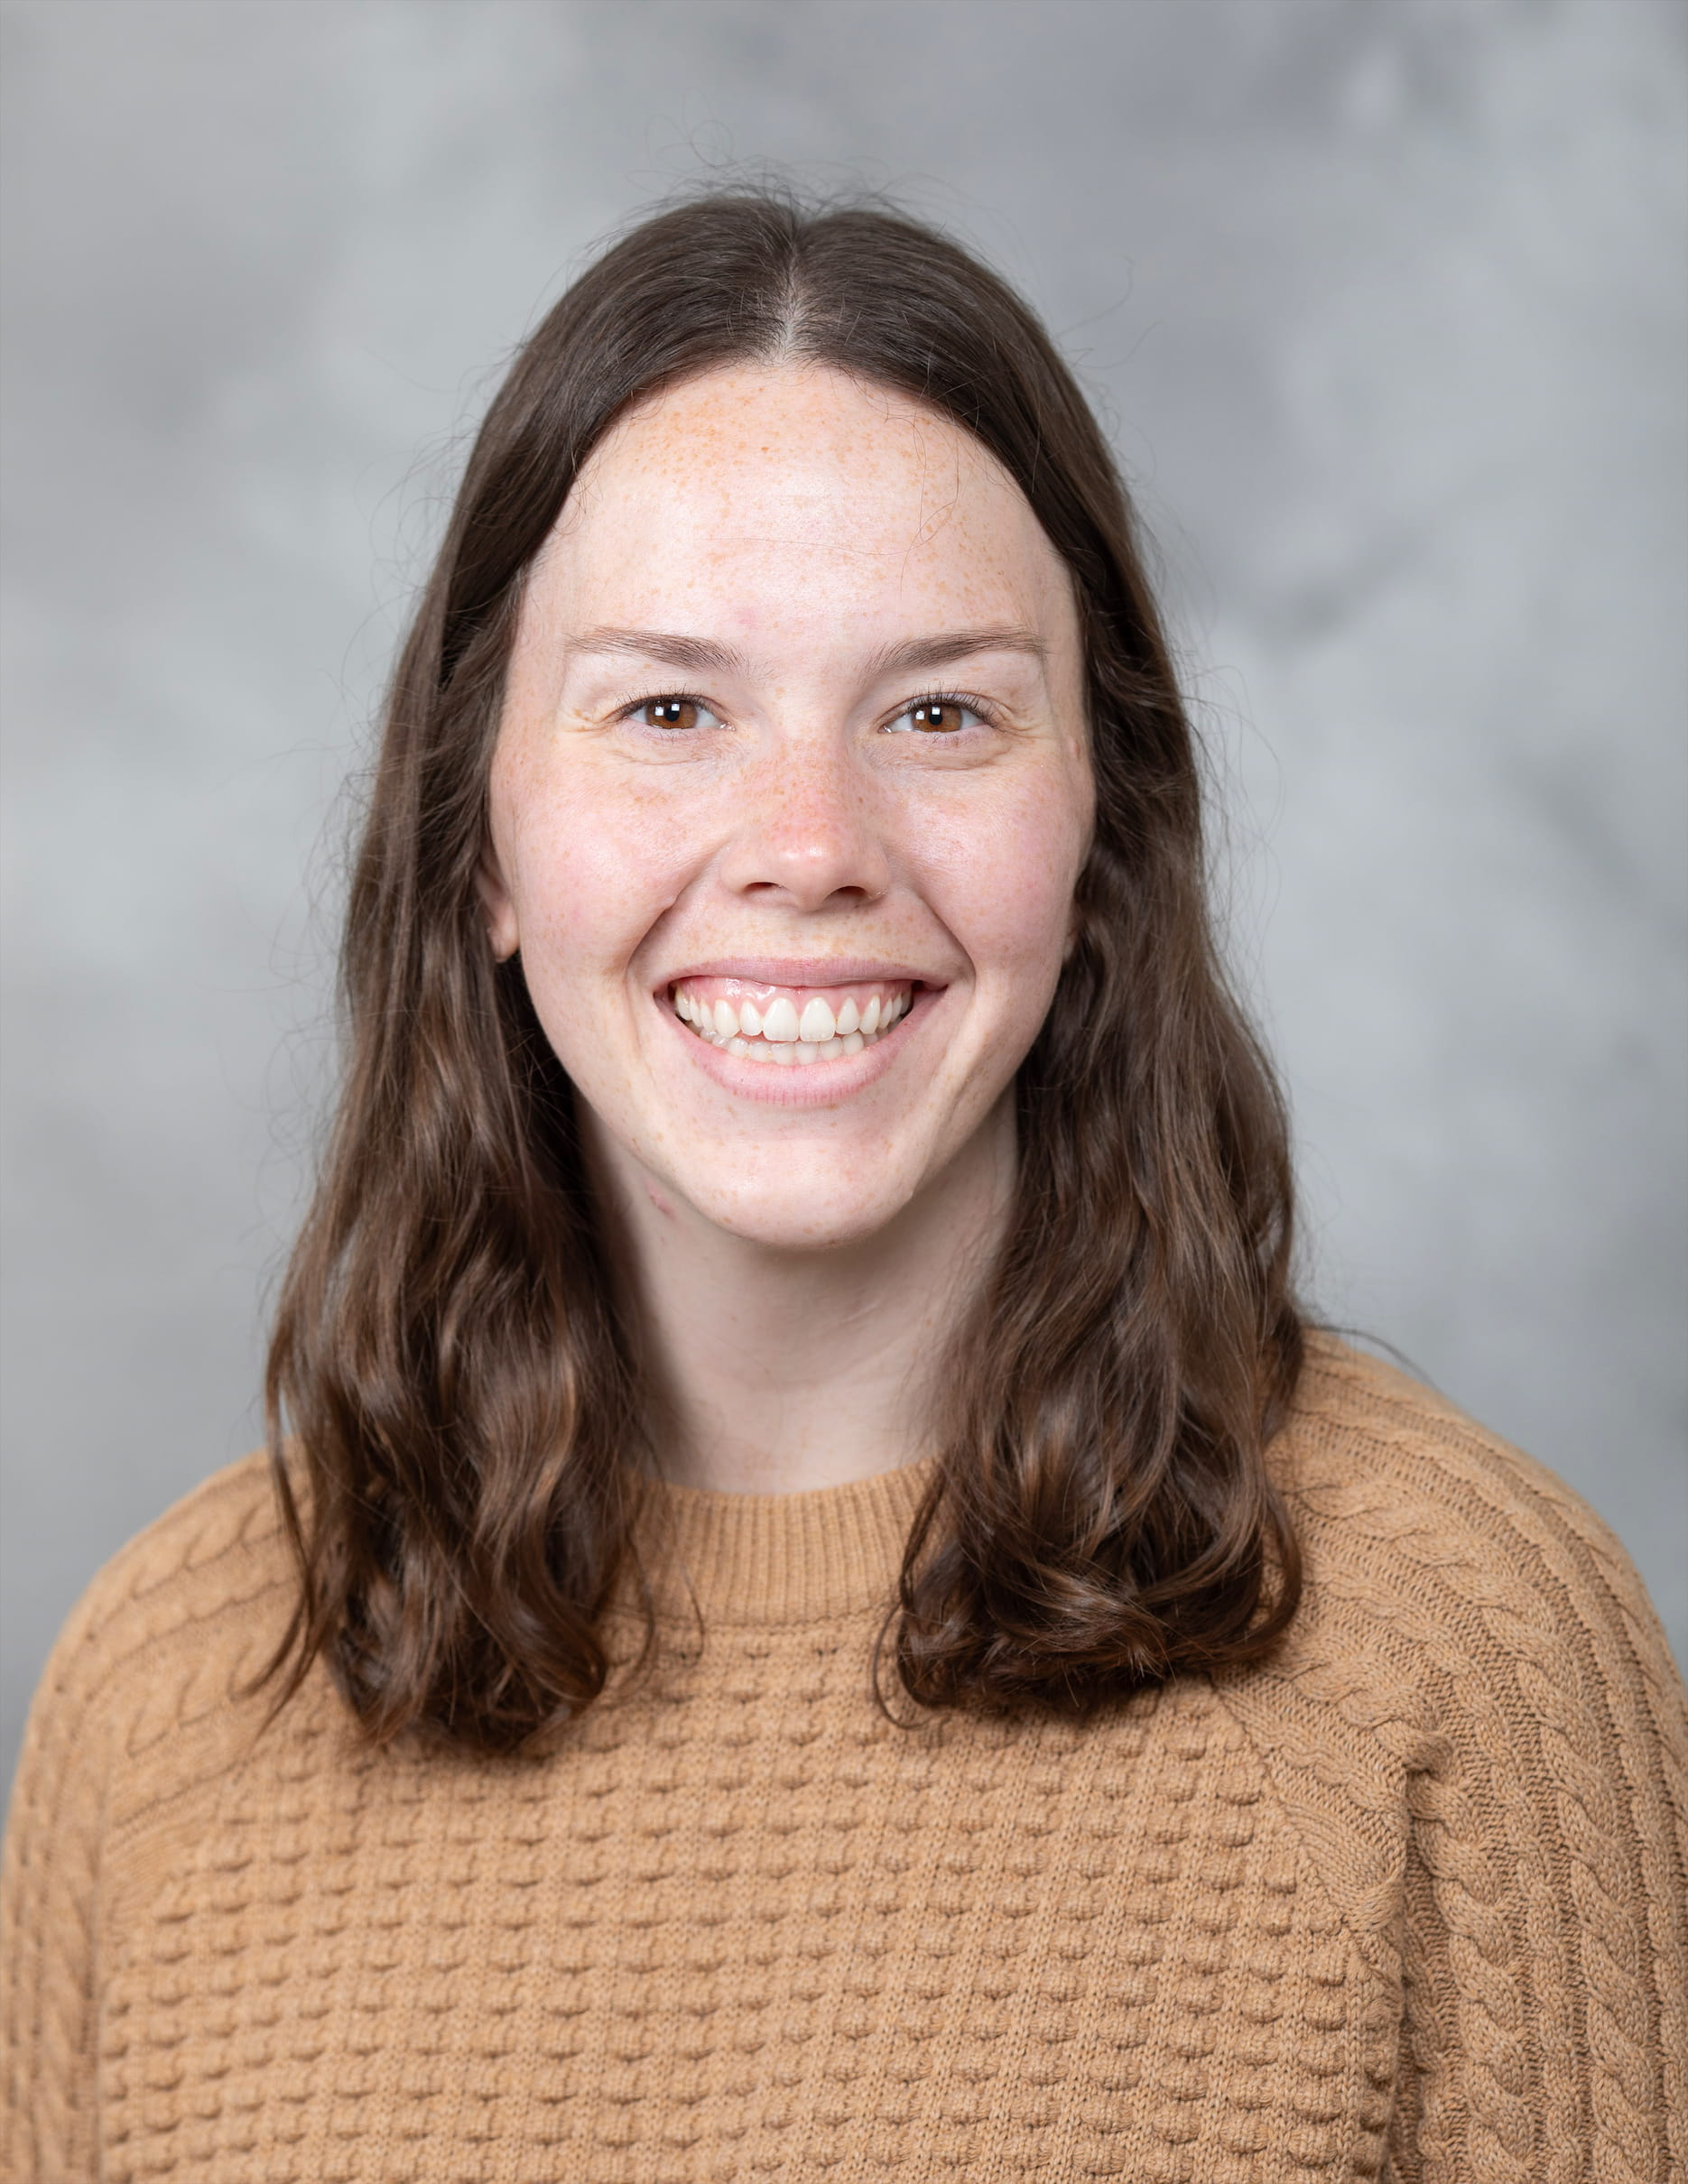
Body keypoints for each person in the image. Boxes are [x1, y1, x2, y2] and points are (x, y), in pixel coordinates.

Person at [2, 190, 1682, 2183]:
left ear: (1103, 837)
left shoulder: (1453, 1660)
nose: (806, 844)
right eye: (668, 710)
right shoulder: (169, 1695)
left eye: (939, 712)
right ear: (480, 851)